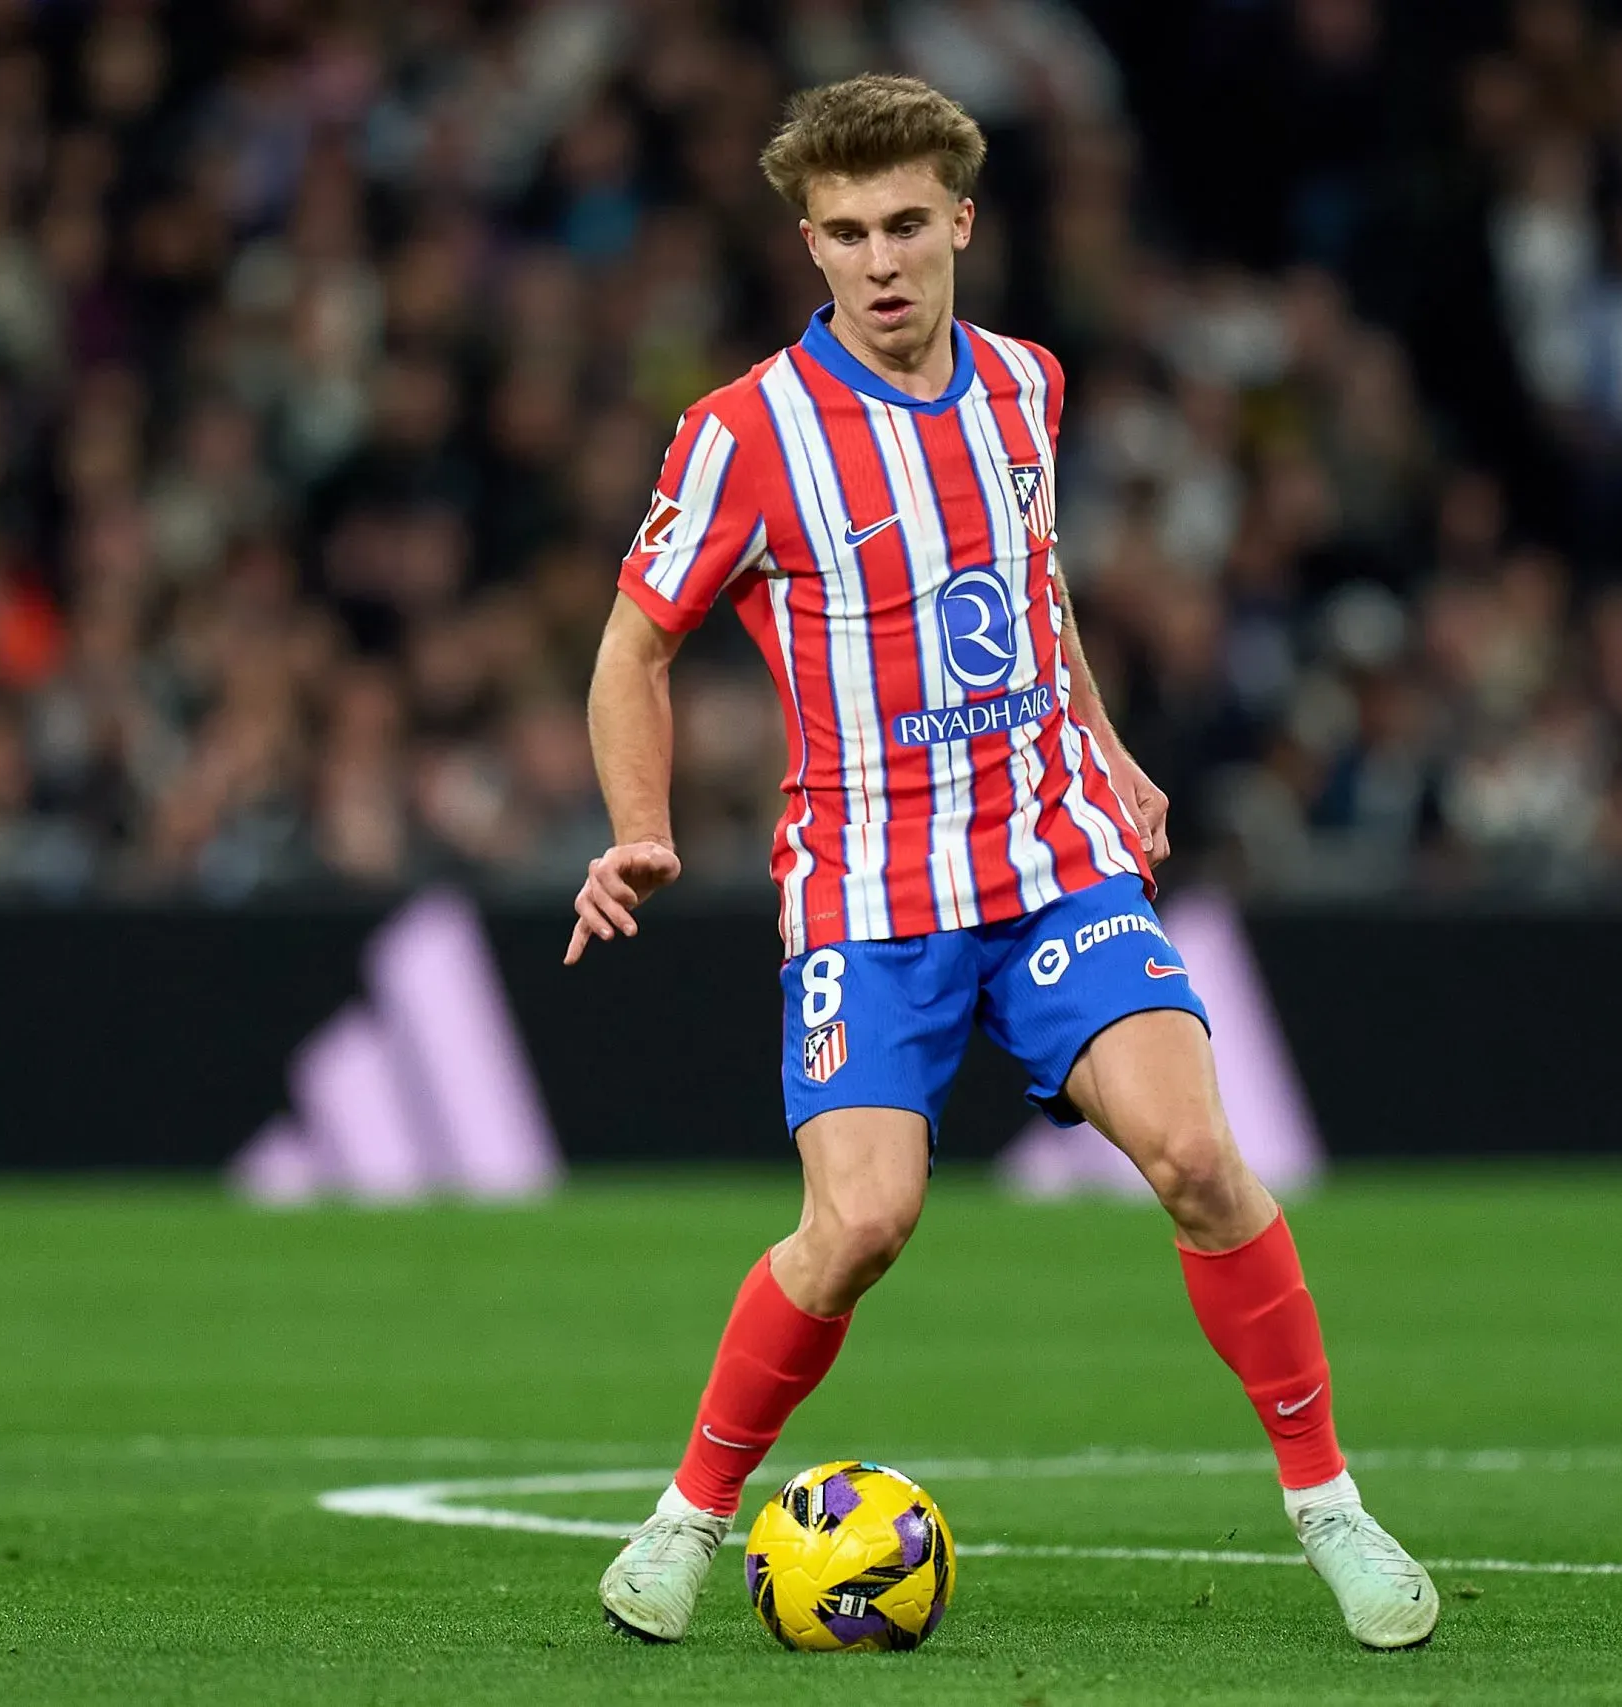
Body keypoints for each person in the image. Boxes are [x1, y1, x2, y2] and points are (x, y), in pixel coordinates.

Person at [564, 73, 1437, 1651]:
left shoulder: (1027, 385)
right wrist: (640, 822)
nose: (880, 260)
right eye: (845, 234)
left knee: (1197, 1158)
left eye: (906, 225)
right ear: (810, 247)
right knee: (862, 1224)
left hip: (1050, 859)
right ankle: (689, 1517)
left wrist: (1101, 745)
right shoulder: (744, 435)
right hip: (870, 894)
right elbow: (632, 650)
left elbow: (1028, 592)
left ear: (961, 221)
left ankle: (1331, 1507)